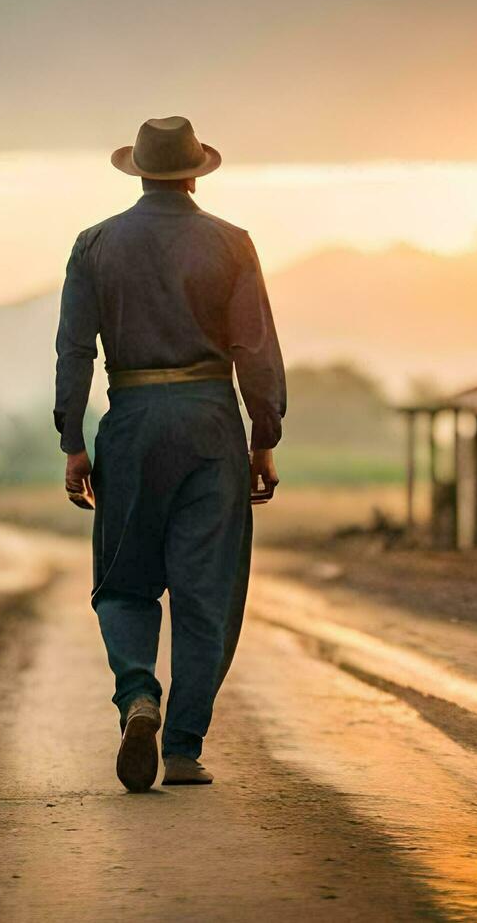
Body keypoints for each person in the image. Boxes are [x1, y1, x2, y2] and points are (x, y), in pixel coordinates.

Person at [54, 116, 286, 793]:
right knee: (205, 590)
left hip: (129, 423)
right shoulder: (232, 244)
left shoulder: (94, 244)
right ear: (194, 172)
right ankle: (183, 747)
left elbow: (74, 350)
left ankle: (136, 696)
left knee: (124, 581)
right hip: (211, 423)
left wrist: (72, 441)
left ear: (139, 171)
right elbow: (254, 348)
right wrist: (263, 435)